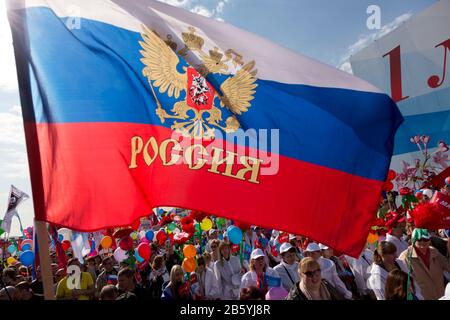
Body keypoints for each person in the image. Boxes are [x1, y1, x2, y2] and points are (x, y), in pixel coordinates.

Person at [399, 228, 450, 300]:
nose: (423, 242)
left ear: (429, 240)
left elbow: (448, 266)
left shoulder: (434, 251)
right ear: (413, 240)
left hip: (441, 296)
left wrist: (449, 250)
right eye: (419, 240)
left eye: (425, 239)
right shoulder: (405, 257)